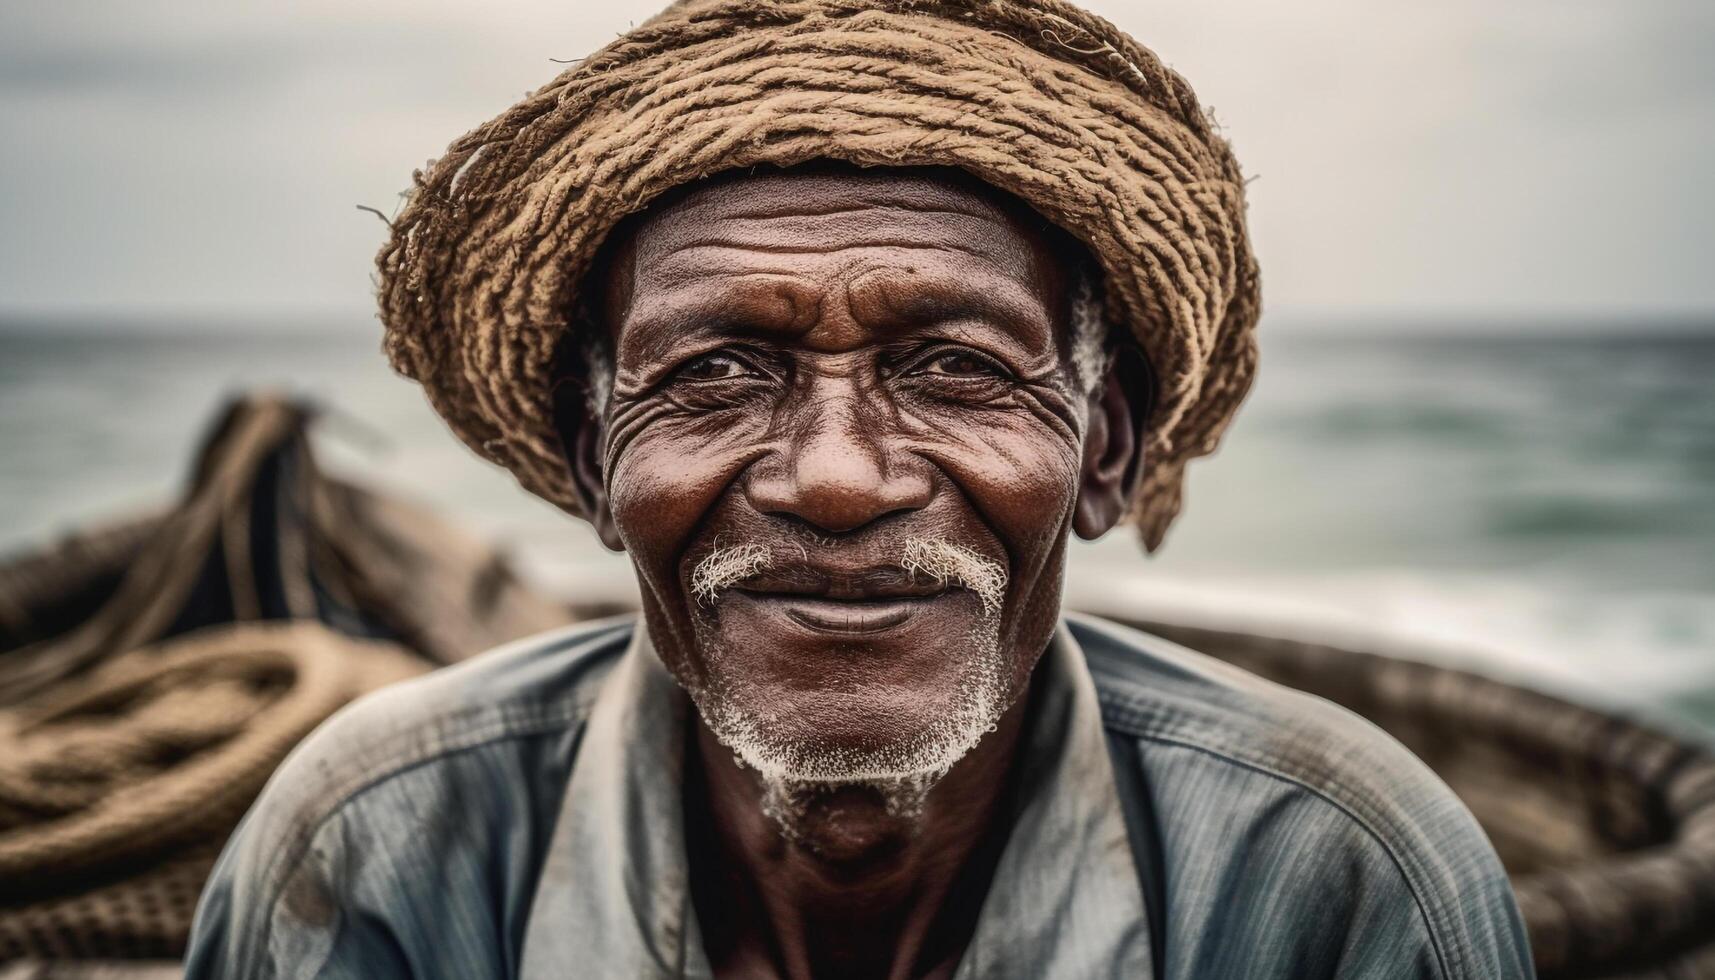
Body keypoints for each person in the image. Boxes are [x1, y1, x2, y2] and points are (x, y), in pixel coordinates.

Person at [185, 1, 1533, 977]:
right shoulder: (371, 849)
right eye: (715, 373)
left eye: (956, 367)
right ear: (600, 468)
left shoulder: (1337, 874)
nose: (835, 479)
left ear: (1105, 451)